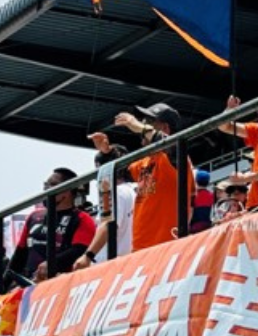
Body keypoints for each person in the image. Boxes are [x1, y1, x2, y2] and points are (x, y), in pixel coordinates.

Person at [109, 102, 191, 252]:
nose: (143, 123)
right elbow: (120, 173)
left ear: (165, 128)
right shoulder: (145, 162)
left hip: (167, 246)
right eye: (143, 121)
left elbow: (173, 146)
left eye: (149, 121)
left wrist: (140, 127)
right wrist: (107, 152)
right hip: (139, 249)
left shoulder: (177, 157)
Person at [10, 168, 96, 282]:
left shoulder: (82, 218)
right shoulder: (33, 217)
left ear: (68, 190)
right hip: (29, 284)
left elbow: (79, 251)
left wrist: (51, 265)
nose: (47, 189)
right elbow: (19, 255)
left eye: (53, 185)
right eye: (46, 185)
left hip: (60, 282)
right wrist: (2, 286)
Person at [74, 143, 137, 270]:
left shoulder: (116, 192)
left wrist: (88, 256)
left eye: (98, 171)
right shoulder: (137, 190)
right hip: (129, 263)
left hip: (109, 266)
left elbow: (108, 224)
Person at [190, 170, 214, 234]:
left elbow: (191, 212)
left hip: (194, 228)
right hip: (207, 226)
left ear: (196, 181)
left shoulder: (193, 196)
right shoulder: (211, 195)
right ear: (208, 182)